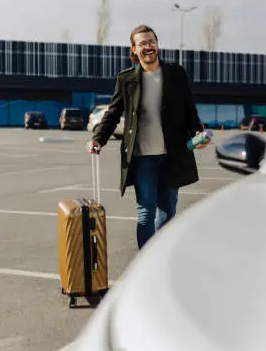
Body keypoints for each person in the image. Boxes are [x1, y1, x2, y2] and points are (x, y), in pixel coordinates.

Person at [87, 24, 207, 249]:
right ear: (134, 49)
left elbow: (189, 109)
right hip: (142, 158)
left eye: (152, 41)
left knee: (167, 212)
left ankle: (160, 255)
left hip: (172, 155)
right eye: (142, 43)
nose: (148, 46)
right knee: (145, 213)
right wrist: (98, 139)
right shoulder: (126, 79)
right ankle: (145, 258)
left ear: (157, 44)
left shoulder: (176, 74)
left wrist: (197, 132)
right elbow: (113, 113)